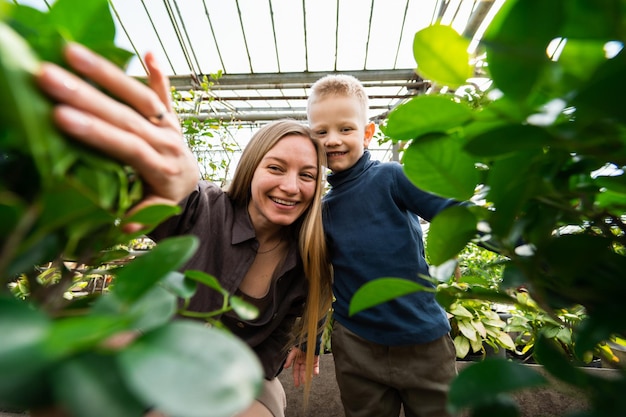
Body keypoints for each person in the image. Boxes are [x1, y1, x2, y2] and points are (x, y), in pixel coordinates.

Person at [36, 43, 333, 417]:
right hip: (158, 350)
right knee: (69, 384)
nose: (291, 186)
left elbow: (267, 356)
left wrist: (194, 397)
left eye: (307, 175)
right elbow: (176, 194)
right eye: (275, 168)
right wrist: (159, 174)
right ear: (252, 168)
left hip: (241, 375)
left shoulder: (307, 260)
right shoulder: (203, 209)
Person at [307, 74, 458, 417]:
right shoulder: (323, 210)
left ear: (367, 132)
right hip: (357, 347)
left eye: (345, 129)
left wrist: (519, 244)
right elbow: (319, 279)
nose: (332, 140)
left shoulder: (391, 177)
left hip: (423, 342)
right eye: (321, 132)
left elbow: (451, 212)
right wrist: (311, 340)